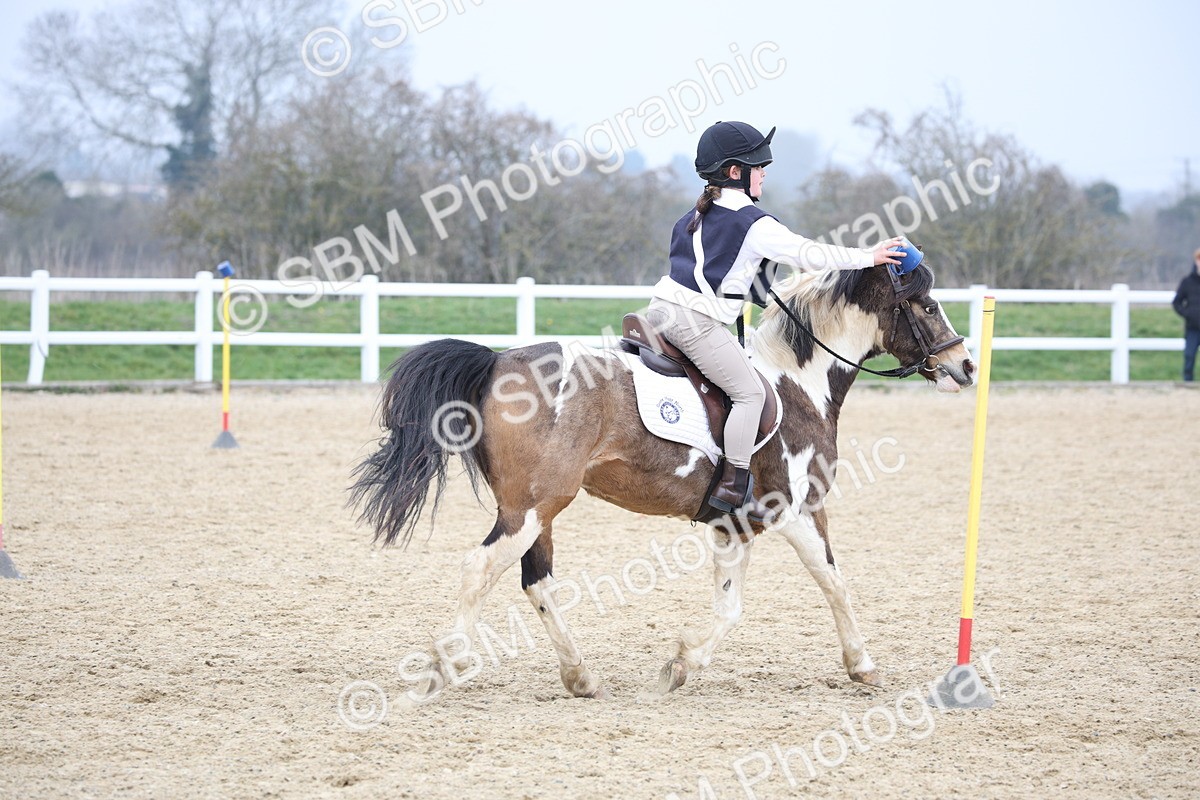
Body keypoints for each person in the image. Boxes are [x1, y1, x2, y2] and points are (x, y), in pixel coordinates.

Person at [647, 120, 909, 525]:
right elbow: (809, 255)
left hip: (659, 314)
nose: (764, 173)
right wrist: (868, 257)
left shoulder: (690, 218)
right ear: (735, 173)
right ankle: (732, 486)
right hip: (696, 323)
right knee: (751, 393)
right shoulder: (755, 223)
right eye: (758, 166)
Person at [1172, 247, 1200, 382]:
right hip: (1193, 327)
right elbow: (1177, 302)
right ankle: (1188, 383)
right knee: (1189, 355)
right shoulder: (1187, 282)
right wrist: (1188, 314)